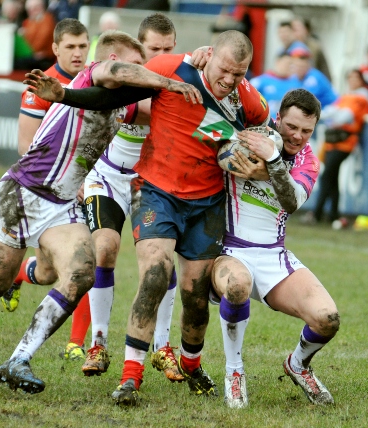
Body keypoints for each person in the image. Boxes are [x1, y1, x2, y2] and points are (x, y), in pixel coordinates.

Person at [0, 29, 201, 395]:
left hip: (61, 205)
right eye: (135, 64)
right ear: (104, 61)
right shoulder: (91, 75)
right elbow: (118, 73)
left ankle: (18, 359)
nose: (140, 73)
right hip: (22, 194)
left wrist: (202, 71)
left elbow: (175, 116)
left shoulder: (125, 104)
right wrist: (167, 79)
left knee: (83, 270)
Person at [39, 30, 272, 405]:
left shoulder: (249, 100)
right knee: (154, 275)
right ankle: (131, 377)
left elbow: (265, 133)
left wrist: (253, 153)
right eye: (225, 70)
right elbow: (114, 96)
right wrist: (65, 95)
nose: (230, 80)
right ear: (209, 55)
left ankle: (192, 364)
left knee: (195, 294)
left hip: (207, 202)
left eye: (239, 74)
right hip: (157, 192)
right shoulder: (169, 70)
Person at [62, 12, 184, 383]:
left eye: (168, 48)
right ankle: (98, 342)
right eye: (153, 48)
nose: (160, 54)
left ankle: (163, 347)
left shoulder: (177, 81)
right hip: (109, 178)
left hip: (150, 183)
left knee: (159, 263)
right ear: (139, 46)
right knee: (104, 249)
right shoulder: (123, 78)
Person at [210, 89, 340, 409]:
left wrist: (270, 163)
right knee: (238, 285)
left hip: (274, 256)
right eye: (291, 126)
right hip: (230, 250)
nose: (297, 136)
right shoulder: (255, 133)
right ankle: (234, 372)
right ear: (278, 117)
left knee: (328, 319)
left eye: (306, 131)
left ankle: (297, 365)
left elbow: (292, 201)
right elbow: (221, 147)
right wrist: (232, 150)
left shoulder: (309, 160)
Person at [1, 18, 91, 313]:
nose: (77, 53)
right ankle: (17, 273)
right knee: (47, 272)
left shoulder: (96, 82)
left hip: (88, 185)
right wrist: (69, 181)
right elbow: (25, 147)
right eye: (70, 47)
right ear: (55, 48)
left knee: (92, 259)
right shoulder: (40, 85)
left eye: (83, 46)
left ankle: (80, 344)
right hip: (48, 190)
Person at [310, 69, 368, 227]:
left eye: (355, 77)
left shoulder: (361, 97)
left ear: (361, 80)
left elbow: (344, 116)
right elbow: (332, 111)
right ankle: (333, 215)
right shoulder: (346, 96)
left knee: (326, 176)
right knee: (332, 178)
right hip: (334, 141)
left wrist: (329, 118)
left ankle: (317, 214)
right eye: (349, 77)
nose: (352, 80)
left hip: (345, 142)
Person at [288, 42, 338, 109]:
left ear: (308, 64)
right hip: (318, 111)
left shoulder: (314, 77)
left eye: (302, 65)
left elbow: (304, 100)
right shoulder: (294, 78)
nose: (299, 68)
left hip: (331, 109)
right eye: (296, 66)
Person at [249, 52, 297, 119]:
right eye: (286, 63)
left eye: (291, 64)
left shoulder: (296, 83)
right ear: (278, 62)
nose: (289, 67)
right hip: (266, 123)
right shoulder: (260, 82)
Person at [14, 0, 56, 70]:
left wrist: (25, 36)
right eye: (29, 9)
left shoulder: (47, 20)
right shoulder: (28, 21)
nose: (31, 11)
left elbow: (40, 43)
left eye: (34, 8)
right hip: (31, 56)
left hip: (45, 58)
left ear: (41, 7)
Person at [291, 16, 332, 81]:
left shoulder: (313, 47)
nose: (295, 33)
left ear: (306, 30)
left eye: (297, 29)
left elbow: (319, 69)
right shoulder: (290, 47)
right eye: (293, 29)